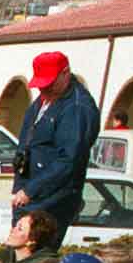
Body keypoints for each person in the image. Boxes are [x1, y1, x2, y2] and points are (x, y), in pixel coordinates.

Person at [11, 51, 101, 250]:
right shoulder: (44, 98)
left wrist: (31, 190)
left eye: (49, 84)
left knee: (33, 254)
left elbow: (69, 159)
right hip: (29, 191)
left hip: (51, 198)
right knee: (18, 253)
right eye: (41, 85)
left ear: (65, 73)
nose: (44, 90)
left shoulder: (77, 107)